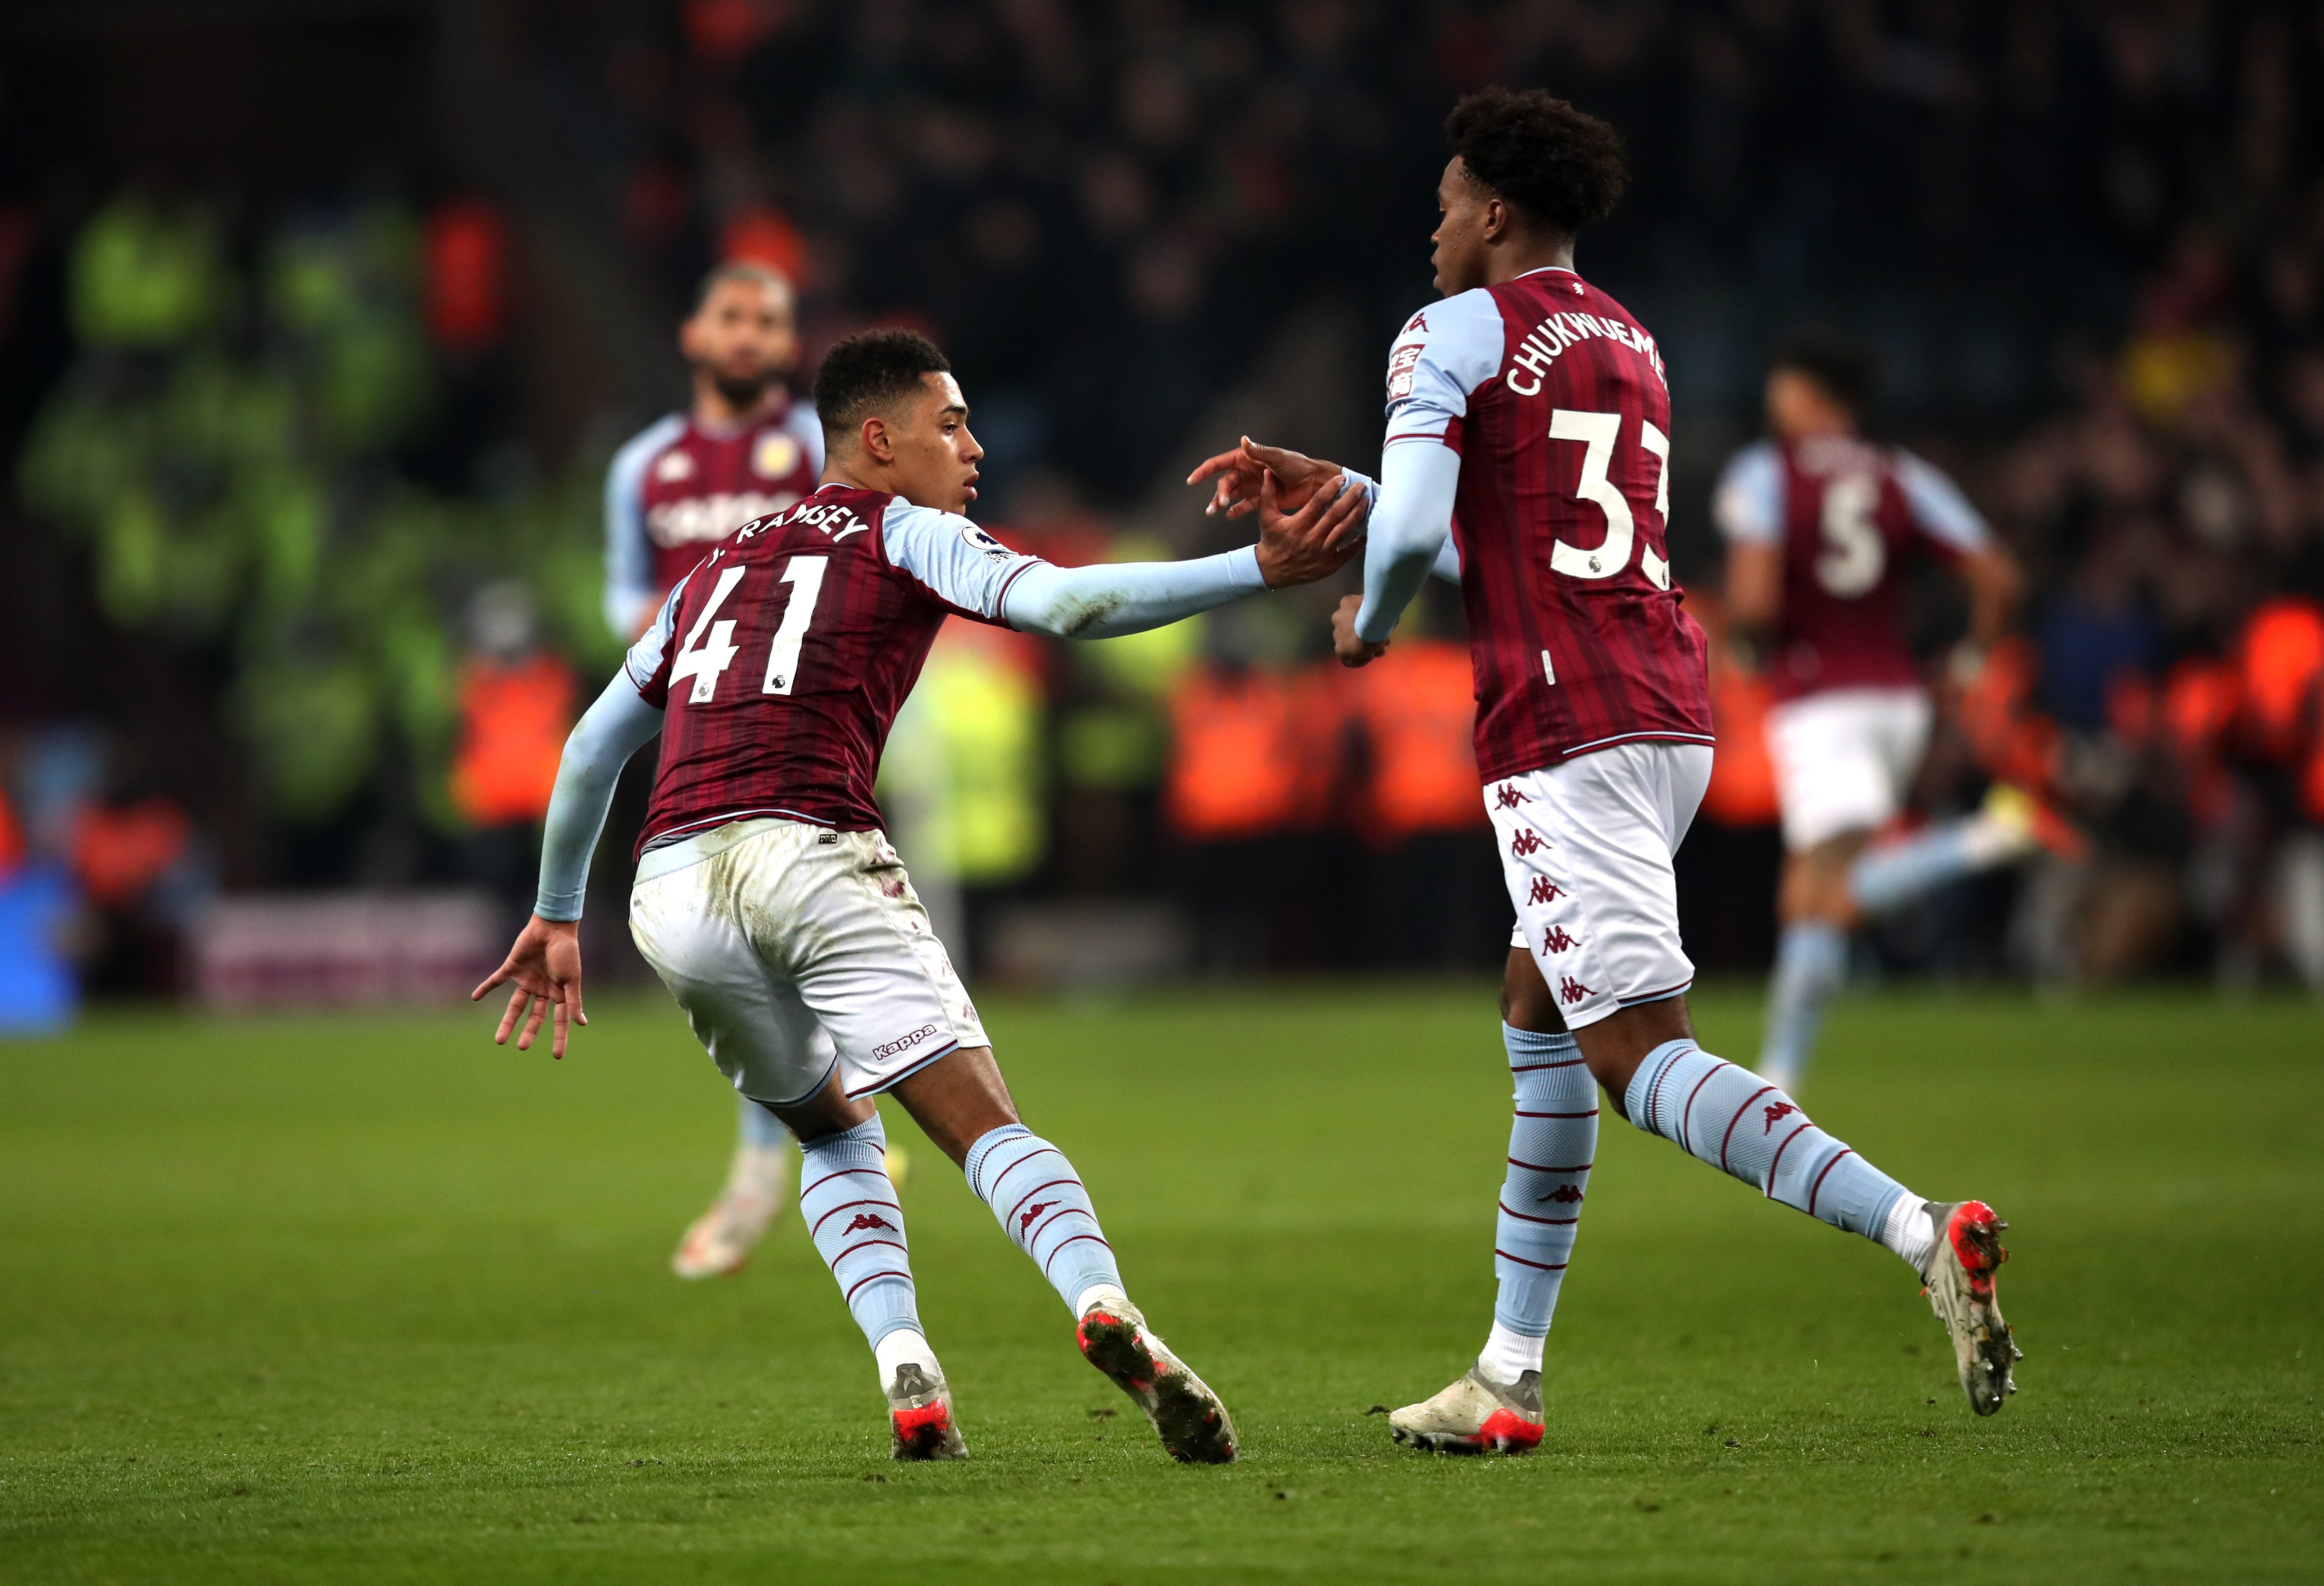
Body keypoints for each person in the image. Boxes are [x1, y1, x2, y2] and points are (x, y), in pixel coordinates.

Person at [1190, 88, 2018, 1454]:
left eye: (1452, 199)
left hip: (1562, 724)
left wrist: (1370, 624)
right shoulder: (1632, 337)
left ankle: (1923, 1228)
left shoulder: (1447, 332)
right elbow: (1523, 521)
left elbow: (1411, 546)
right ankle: (1507, 1374)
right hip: (1667, 707)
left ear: (1497, 211)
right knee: (1538, 1000)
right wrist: (1341, 476)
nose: (1437, 222)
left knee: (1638, 1055)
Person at [478, 328, 1365, 1463]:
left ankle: (908, 1371)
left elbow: (598, 742)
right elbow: (1068, 608)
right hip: (813, 850)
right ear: (880, 439)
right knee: (983, 1124)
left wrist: (557, 913)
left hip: (673, 887)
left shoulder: (715, 567)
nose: (975, 447)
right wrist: (1256, 570)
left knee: (832, 1128)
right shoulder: (909, 531)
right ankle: (1105, 1304)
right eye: (952, 425)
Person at [601, 261, 857, 1281]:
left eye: (769, 321)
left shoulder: (811, 449)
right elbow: (624, 591)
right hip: (699, 730)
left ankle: (776, 1164)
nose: (748, 335)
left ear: (790, 347)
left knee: (796, 937)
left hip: (814, 724)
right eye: (732, 318)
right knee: (730, 949)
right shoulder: (644, 467)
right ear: (693, 334)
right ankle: (832, 1123)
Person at [1715, 330, 2049, 1090]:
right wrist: (1968, 661)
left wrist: (1745, 647)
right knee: (1810, 890)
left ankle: (1982, 839)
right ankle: (1781, 1073)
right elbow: (1998, 578)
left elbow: (1757, 597)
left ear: (1803, 392)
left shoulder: (1767, 473)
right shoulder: (1904, 474)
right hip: (1898, 700)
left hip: (1820, 700)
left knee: (1823, 891)